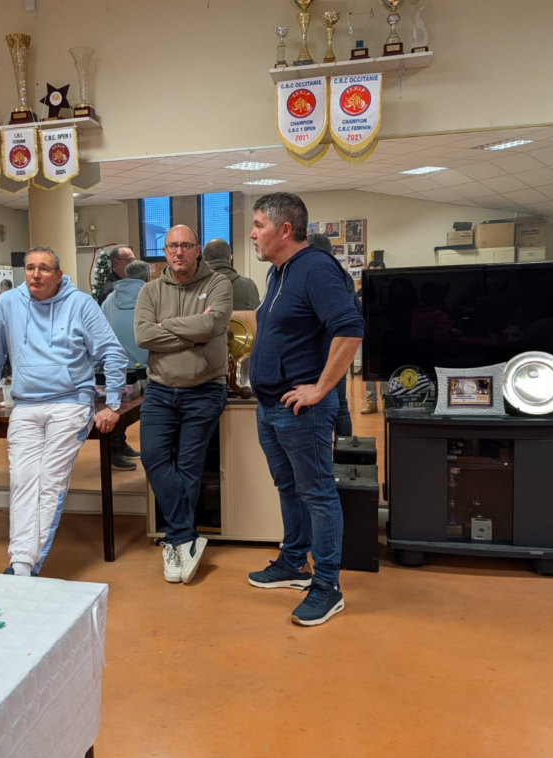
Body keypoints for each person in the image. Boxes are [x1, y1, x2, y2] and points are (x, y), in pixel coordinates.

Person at [0, 246, 127, 577]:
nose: (35, 274)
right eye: (30, 268)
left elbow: (113, 352)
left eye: (44, 268)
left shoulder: (80, 304)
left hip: (70, 403)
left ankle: (23, 567)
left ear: (58, 275)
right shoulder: (8, 303)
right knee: (23, 481)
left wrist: (113, 403)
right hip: (26, 405)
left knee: (50, 482)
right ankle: (21, 564)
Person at [248, 192, 364, 626]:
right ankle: (294, 562)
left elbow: (350, 329)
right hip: (270, 405)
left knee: (317, 494)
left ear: (284, 230)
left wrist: (320, 388)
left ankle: (327, 586)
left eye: (258, 225)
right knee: (288, 487)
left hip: (302, 411)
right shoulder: (278, 273)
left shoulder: (316, 268)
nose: (252, 234)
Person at [135, 225, 232, 585]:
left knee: (189, 466)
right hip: (160, 391)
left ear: (197, 249)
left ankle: (176, 541)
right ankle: (185, 536)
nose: (179, 252)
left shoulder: (218, 283)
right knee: (153, 458)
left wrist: (167, 327)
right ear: (164, 251)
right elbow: (143, 335)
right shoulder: (150, 290)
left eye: (186, 246)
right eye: (172, 246)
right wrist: (192, 336)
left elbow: (214, 323)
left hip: (205, 389)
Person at [100, 259, 151, 471]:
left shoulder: (109, 299)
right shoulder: (151, 296)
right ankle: (114, 451)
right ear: (147, 278)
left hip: (115, 366)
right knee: (144, 412)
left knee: (119, 409)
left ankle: (118, 446)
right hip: (145, 365)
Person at [307, 231, 359, 438]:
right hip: (339, 349)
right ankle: (345, 451)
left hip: (317, 350)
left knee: (318, 403)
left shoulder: (315, 273)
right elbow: (356, 310)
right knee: (341, 404)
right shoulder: (344, 276)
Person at [202, 238, 260, 310]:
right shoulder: (248, 286)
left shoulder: (196, 287)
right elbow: (259, 314)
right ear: (229, 258)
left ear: (204, 259)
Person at [361, 258, 386, 414]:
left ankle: (387, 402)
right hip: (368, 332)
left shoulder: (390, 289)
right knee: (369, 369)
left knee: (385, 368)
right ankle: (371, 402)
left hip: (386, 332)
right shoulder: (363, 290)